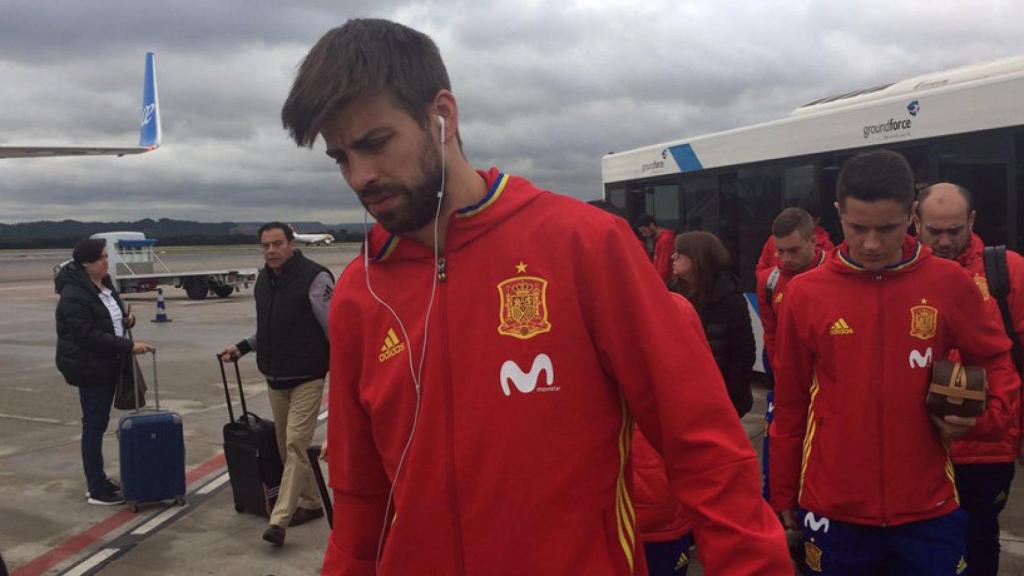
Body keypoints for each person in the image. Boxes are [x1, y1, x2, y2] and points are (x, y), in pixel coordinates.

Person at [281, 18, 790, 575]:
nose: (360, 176)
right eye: (341, 157)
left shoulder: (583, 245)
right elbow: (359, 500)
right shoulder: (362, 292)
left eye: (375, 144)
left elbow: (703, 447)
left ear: (442, 115)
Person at [770, 150, 1020, 575]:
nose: (871, 243)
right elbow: (791, 401)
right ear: (838, 213)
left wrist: (983, 419)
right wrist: (782, 491)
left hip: (929, 507)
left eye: (886, 228)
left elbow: (995, 357)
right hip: (833, 508)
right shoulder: (805, 293)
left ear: (911, 216)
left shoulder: (948, 283)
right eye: (857, 227)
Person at [916, 182, 1024, 576]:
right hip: (922, 446)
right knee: (925, 546)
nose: (945, 241)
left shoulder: (1007, 270)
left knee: (979, 540)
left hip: (988, 448)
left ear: (972, 221)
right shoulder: (901, 274)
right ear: (915, 223)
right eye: (934, 231)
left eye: (954, 230)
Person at [219, 222, 334, 547]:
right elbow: (268, 327)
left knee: (296, 443)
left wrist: (345, 370)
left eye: (277, 243)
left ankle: (279, 519)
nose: (271, 250)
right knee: (287, 447)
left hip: (308, 376)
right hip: (275, 376)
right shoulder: (264, 281)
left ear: (291, 243)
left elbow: (335, 327)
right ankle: (311, 502)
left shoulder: (315, 277)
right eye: (265, 245)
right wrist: (242, 347)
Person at [55, 237, 154, 506]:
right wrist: (129, 346)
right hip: (90, 366)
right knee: (94, 425)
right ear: (86, 263)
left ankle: (99, 480)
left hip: (109, 361)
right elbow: (86, 335)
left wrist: (126, 320)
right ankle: (96, 488)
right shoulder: (74, 294)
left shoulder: (105, 284)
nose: (106, 262)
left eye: (106, 257)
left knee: (98, 423)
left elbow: (107, 319)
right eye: (101, 258)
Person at [669, 231, 755, 417]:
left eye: (680, 253)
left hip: (719, 398)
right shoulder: (672, 292)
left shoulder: (729, 299)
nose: (673, 257)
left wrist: (733, 401)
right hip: (682, 395)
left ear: (698, 258)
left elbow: (743, 355)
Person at [756, 196, 834, 274]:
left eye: (794, 250)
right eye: (780, 251)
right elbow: (761, 270)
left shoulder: (826, 246)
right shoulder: (773, 241)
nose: (786, 259)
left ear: (813, 242)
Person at [638, 214, 676, 282]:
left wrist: (655, 282)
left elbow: (663, 269)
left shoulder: (664, 240)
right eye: (642, 233)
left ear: (652, 225)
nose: (644, 235)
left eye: (644, 231)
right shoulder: (661, 240)